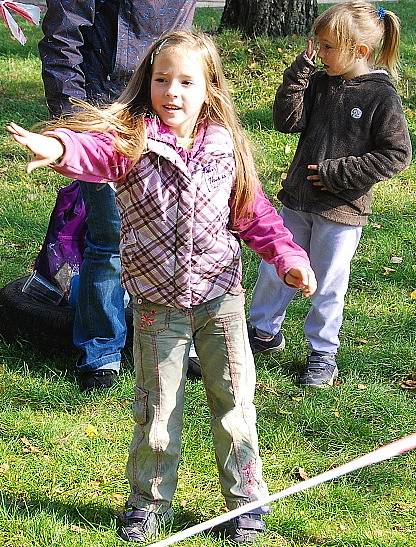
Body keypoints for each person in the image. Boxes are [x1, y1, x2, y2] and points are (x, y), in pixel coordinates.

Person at [7, 30, 317, 544]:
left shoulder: (227, 148)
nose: (171, 91)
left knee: (235, 405)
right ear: (147, 83)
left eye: (186, 81)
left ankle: (245, 505)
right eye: (160, 79)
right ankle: (148, 504)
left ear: (209, 89)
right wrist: (56, 144)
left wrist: (287, 256)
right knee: (157, 410)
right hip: (156, 305)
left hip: (221, 300)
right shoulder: (131, 142)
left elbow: (255, 214)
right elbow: (92, 151)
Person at [248, 1, 412, 388]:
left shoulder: (380, 96)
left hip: (342, 212)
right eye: (317, 46)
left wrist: (338, 174)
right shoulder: (320, 81)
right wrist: (299, 73)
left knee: (327, 283)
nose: (319, 54)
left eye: (326, 48)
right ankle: (262, 332)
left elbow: (397, 154)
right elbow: (286, 122)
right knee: (274, 269)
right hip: (297, 201)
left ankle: (322, 353)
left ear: (359, 51)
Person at [38, 0, 197, 392]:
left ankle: (184, 339)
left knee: (184, 229)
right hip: (106, 108)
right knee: (109, 238)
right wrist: (76, 120)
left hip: (174, 105)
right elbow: (62, 35)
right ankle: (102, 349)